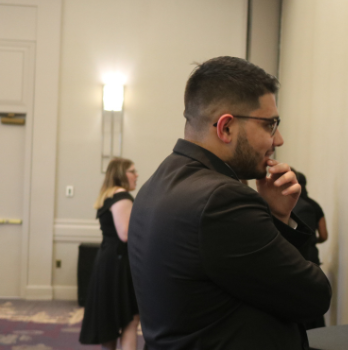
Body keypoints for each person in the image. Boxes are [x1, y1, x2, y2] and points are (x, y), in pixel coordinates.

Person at [128, 56, 332, 350]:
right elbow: (312, 297)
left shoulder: (156, 184)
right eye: (270, 125)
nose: (279, 140)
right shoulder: (222, 200)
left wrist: (277, 215)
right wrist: (278, 217)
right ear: (226, 128)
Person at [80, 157, 141, 350]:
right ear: (122, 174)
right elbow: (125, 234)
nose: (136, 174)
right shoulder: (122, 196)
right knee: (130, 320)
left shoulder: (108, 195)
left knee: (109, 320)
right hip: (120, 263)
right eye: (133, 171)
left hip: (108, 260)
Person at [291, 169, 327, 329]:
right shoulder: (314, 205)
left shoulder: (298, 206)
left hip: (302, 259)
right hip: (312, 258)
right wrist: (314, 241)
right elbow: (324, 235)